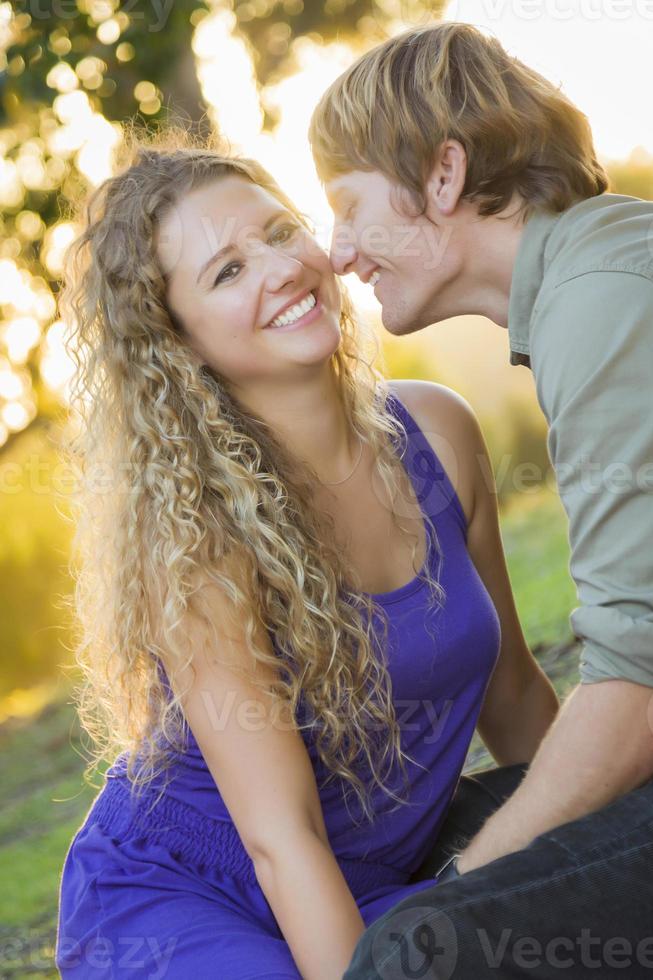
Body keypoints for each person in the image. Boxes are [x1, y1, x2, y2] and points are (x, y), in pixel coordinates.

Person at [54, 125, 558, 979]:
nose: (282, 268)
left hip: (365, 886)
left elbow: (511, 692)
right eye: (228, 271)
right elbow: (279, 839)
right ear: (178, 346)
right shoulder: (201, 538)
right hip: (184, 900)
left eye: (280, 231)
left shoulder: (439, 432)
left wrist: (634, 829)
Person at [308, 20, 653, 979]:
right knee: (391, 853)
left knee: (421, 945)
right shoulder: (598, 275)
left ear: (442, 176)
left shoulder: (605, 300)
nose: (337, 252)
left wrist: (457, 893)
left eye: (349, 205)